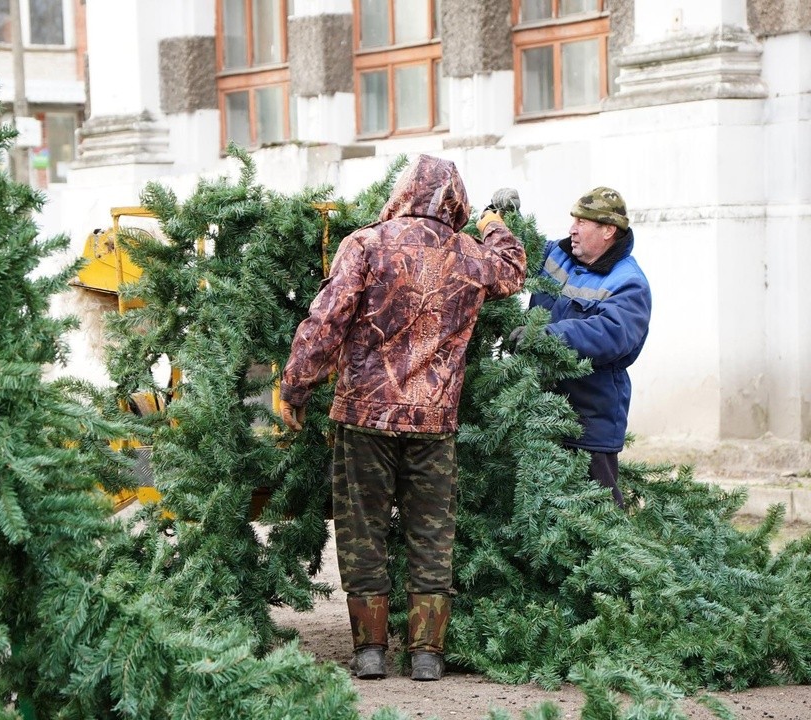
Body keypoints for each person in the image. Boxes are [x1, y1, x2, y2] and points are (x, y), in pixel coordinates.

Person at [279, 155, 526, 681]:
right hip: (434, 423)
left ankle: (369, 651)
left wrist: (296, 386)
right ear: (454, 199)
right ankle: (426, 656)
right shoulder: (468, 254)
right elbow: (513, 269)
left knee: (362, 528)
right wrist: (493, 223)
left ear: (403, 191)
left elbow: (326, 320)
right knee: (432, 533)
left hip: (364, 418)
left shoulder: (365, 244)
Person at [511, 187, 651, 508]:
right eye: (572, 220)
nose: (572, 229)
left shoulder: (628, 283)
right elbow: (519, 249)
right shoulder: (558, 256)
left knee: (597, 513)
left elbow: (610, 334)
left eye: (582, 222)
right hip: (539, 409)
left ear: (607, 231)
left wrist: (546, 336)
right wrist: (503, 218)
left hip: (589, 420)